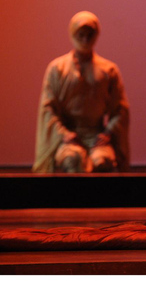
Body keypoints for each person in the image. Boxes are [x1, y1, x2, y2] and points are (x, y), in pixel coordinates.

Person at [33, 11, 130, 173]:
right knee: (72, 159)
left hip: (96, 136)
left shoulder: (108, 70)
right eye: (81, 34)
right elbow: (47, 108)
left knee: (103, 161)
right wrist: (63, 134)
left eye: (89, 34)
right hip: (69, 136)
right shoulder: (57, 69)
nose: (85, 39)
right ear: (72, 33)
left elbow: (120, 109)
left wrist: (108, 133)